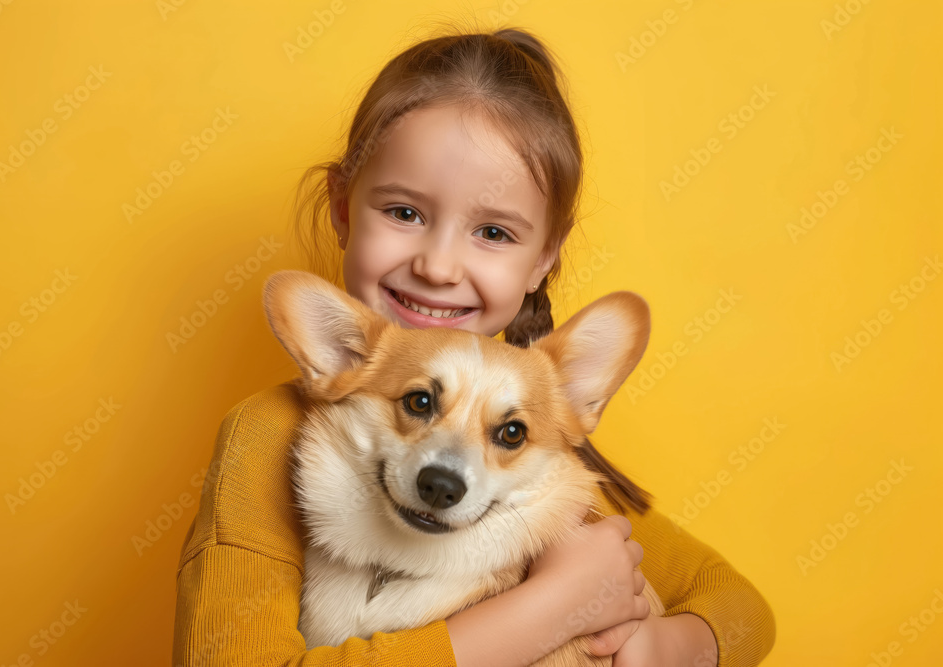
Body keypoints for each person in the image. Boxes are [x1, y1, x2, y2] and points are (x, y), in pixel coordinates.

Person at [172, 26, 776, 667]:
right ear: (344, 209)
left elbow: (738, 605)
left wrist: (662, 646)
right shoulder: (264, 437)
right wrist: (550, 609)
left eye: (491, 230)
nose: (438, 266)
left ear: (544, 257)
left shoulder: (554, 471)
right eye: (405, 213)